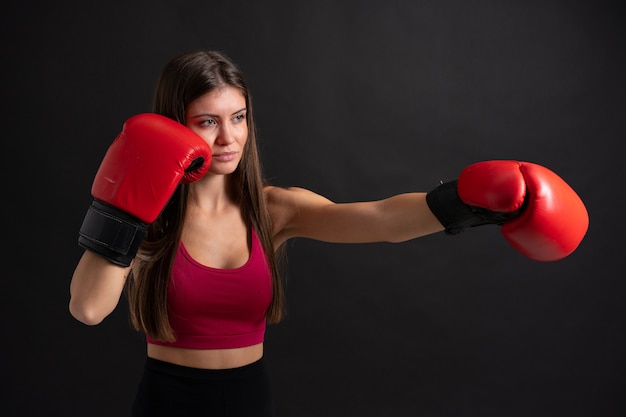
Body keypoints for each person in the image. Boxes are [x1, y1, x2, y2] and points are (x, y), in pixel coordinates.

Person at [69, 50, 588, 417]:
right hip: (168, 398)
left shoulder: (273, 209)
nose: (229, 138)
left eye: (239, 117)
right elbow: (88, 309)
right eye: (207, 121)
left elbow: (381, 219)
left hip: (250, 396)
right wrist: (126, 209)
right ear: (176, 125)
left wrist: (467, 200)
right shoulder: (150, 220)